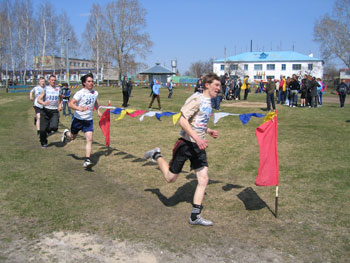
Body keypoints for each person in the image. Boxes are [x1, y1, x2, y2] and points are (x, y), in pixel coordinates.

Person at [143, 73, 220, 226]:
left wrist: (208, 131)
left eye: (220, 85)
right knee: (170, 178)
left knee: (203, 178)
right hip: (185, 144)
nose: (219, 88)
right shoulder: (196, 99)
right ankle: (157, 155)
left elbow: (197, 123)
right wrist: (197, 138)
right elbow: (182, 120)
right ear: (207, 85)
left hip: (198, 146)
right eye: (216, 85)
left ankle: (195, 216)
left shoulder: (208, 102)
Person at [61, 73, 102, 168]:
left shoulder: (95, 93)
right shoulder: (80, 93)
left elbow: (95, 101)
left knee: (90, 139)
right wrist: (79, 108)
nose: (91, 83)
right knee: (72, 137)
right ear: (84, 83)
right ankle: (66, 133)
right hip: (78, 119)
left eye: (92, 81)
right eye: (89, 81)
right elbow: (71, 104)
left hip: (88, 120)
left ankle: (87, 160)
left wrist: (98, 111)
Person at [37, 75, 62, 148]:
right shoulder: (45, 89)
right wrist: (43, 103)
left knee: (54, 127)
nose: (53, 81)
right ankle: (43, 142)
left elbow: (60, 98)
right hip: (45, 110)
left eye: (54, 80)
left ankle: (47, 130)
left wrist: (60, 105)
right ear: (49, 81)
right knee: (42, 130)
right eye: (52, 80)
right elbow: (39, 100)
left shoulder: (58, 89)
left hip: (54, 111)